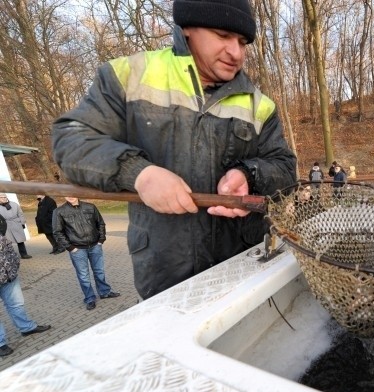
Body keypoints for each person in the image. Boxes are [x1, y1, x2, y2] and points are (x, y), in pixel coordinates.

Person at [51, 0, 297, 299]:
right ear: (188, 28)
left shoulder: (260, 103)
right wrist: (138, 174)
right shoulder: (128, 75)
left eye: (243, 42)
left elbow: (284, 167)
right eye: (222, 35)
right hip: (164, 275)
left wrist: (249, 174)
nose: (236, 52)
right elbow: (72, 139)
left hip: (242, 269)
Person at [52, 198, 120, 310]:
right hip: (77, 249)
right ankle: (90, 298)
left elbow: (101, 223)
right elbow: (57, 232)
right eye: (67, 194)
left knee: (99, 271)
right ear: (64, 196)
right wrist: (70, 247)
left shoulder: (90, 207)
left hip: (95, 246)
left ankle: (104, 292)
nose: (71, 196)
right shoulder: (59, 211)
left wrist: (101, 240)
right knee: (83, 276)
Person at [0, 216, 50, 357]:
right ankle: (1, 343)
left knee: (17, 304)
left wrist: (14, 265)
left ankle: (27, 328)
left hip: (9, 276)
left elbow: (8, 248)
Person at [0, 194, 32, 259]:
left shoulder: (14, 204)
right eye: (2, 197)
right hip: (5, 226)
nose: (4, 198)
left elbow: (20, 214)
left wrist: (22, 223)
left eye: (5, 197)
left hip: (16, 224)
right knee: (7, 242)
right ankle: (10, 256)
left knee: (20, 240)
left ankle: (24, 254)